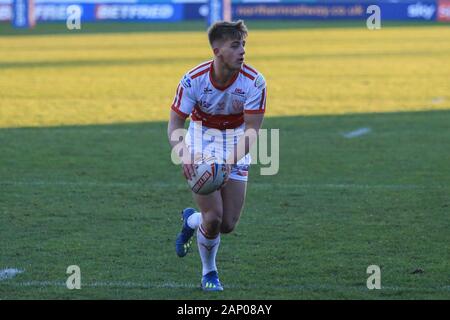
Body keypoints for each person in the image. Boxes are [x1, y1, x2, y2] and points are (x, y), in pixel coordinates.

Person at [167, 20, 267, 291]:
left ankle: (190, 220)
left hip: (236, 139)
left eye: (243, 45)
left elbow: (252, 131)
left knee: (227, 224)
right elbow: (175, 125)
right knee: (213, 217)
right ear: (217, 50)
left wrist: (227, 163)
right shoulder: (193, 79)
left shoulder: (254, 82)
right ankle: (209, 273)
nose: (242, 51)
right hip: (201, 138)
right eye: (235, 46)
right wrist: (185, 154)